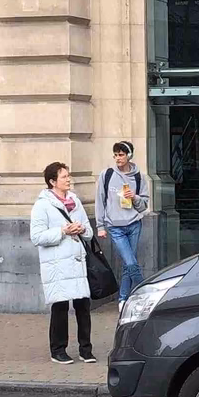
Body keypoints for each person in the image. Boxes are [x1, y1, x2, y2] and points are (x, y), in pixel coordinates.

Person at [32, 161, 95, 365]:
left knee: (83, 306)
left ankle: (86, 349)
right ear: (53, 181)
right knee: (60, 307)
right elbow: (37, 236)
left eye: (68, 176)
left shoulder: (75, 201)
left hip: (77, 262)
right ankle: (58, 350)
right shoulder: (42, 205)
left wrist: (82, 229)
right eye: (64, 177)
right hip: (57, 265)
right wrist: (62, 231)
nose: (69, 180)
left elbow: (89, 231)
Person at [95, 140, 150, 302]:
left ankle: (123, 299)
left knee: (128, 264)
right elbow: (100, 201)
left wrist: (135, 197)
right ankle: (144, 292)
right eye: (115, 155)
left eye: (121, 155)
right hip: (115, 226)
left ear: (129, 156)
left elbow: (144, 206)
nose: (118, 158)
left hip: (134, 224)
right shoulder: (107, 175)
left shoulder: (139, 177)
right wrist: (100, 226)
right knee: (131, 262)